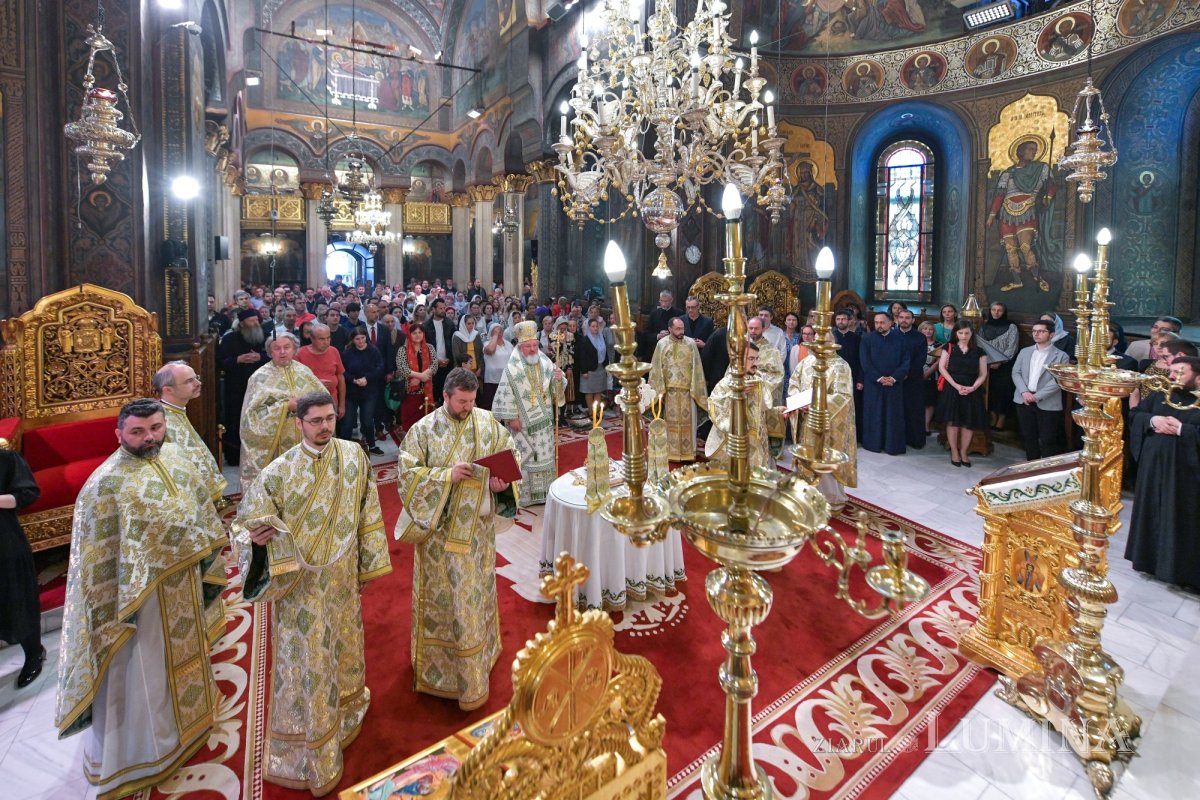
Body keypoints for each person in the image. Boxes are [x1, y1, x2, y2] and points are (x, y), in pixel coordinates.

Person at [56, 399, 227, 800]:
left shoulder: (176, 460)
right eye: (138, 431)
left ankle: (191, 725)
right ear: (119, 434)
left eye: (156, 428)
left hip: (182, 582)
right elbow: (96, 563)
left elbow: (199, 511)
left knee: (185, 657)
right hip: (136, 604)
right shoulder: (105, 485)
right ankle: (149, 752)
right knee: (143, 672)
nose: (149, 437)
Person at [232, 390, 392, 794]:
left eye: (329, 419)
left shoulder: (354, 456)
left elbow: (368, 510)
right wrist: (256, 540)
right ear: (298, 423)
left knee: (344, 644)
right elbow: (243, 525)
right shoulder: (279, 472)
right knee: (308, 659)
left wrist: (369, 562)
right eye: (315, 421)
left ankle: (348, 709)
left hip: (341, 579)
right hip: (300, 588)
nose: (324, 427)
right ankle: (310, 734)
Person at [396, 368, 518, 710]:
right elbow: (406, 476)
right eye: (462, 401)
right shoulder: (424, 430)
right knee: (449, 600)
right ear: (446, 396)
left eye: (472, 401)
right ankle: (445, 672)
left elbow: (509, 457)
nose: (468, 407)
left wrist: (502, 484)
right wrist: (445, 476)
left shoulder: (486, 422)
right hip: (441, 539)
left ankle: (481, 657)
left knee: (476, 595)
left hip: (477, 536)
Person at [1124, 356, 1200, 590]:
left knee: (1180, 518)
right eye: (1172, 372)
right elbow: (1136, 415)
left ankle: (1178, 572)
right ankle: (1148, 561)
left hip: (1186, 475)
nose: (1173, 377)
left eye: (1180, 372)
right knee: (1152, 512)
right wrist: (1153, 420)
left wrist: (1182, 429)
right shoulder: (1161, 395)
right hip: (1153, 470)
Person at [491, 321, 566, 506]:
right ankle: (525, 496)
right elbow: (505, 393)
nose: (532, 349)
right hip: (522, 424)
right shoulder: (512, 367)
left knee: (544, 455)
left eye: (534, 345)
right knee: (526, 458)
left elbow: (555, 391)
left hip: (545, 421)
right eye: (528, 346)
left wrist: (558, 379)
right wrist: (511, 417)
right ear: (520, 346)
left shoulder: (546, 362)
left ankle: (545, 493)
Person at [239, 332, 325, 491]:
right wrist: (285, 407)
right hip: (277, 446)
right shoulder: (259, 377)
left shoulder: (304, 371)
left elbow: (322, 398)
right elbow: (250, 417)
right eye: (277, 348)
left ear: (295, 349)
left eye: (287, 347)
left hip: (306, 439)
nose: (282, 352)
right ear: (269, 352)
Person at [789, 338, 858, 510]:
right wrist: (798, 401)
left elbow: (842, 396)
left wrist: (815, 404)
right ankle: (805, 493)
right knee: (806, 455)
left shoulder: (840, 366)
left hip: (828, 423)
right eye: (818, 340)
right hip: (805, 420)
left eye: (825, 340)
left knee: (824, 456)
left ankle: (829, 497)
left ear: (832, 342)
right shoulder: (807, 361)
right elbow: (794, 383)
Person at [988, 139, 1058, 292]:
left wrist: (1048, 197)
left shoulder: (1041, 168)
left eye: (1035, 149)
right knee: (1010, 249)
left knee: (1025, 247)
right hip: (1007, 213)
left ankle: (1038, 278)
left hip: (1027, 210)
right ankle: (1017, 281)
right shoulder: (1008, 173)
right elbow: (1000, 195)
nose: (1034, 152)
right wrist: (991, 216)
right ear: (1021, 151)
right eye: (1030, 149)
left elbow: (1051, 185)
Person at [155, 360, 226, 503]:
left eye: (196, 377)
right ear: (168, 390)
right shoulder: (160, 422)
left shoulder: (176, 410)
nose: (198, 383)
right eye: (189, 381)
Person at [1, 448, 43, 689]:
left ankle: (34, 653)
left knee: (17, 597)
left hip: (4, 542)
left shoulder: (6, 457)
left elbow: (28, 493)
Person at [705, 343, 782, 470]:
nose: (755, 363)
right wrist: (735, 394)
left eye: (757, 358)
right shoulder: (727, 383)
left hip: (757, 441)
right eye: (751, 359)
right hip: (737, 441)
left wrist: (778, 412)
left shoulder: (759, 380)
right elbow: (714, 407)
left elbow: (763, 410)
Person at [648, 316, 709, 462]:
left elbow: (697, 368)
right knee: (670, 424)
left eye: (682, 328)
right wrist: (660, 390)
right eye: (678, 329)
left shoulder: (690, 344)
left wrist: (696, 388)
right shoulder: (661, 344)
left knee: (689, 424)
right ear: (670, 329)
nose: (681, 331)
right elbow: (656, 368)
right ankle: (671, 452)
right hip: (669, 393)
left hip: (688, 392)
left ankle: (689, 453)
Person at [1011, 319, 1071, 460]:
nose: (1036, 334)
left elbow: (1058, 380)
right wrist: (1025, 392)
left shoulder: (1061, 356)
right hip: (1023, 399)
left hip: (1047, 402)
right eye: (1034, 331)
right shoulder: (1024, 352)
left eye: (1041, 331)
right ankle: (1031, 466)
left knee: (1048, 439)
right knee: (1028, 437)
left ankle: (1045, 468)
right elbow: (1016, 372)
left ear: (1051, 334)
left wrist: (1036, 396)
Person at [935, 321, 989, 467]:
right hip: (952, 387)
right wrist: (956, 385)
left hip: (972, 389)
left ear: (972, 333)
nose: (964, 336)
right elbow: (942, 368)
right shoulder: (949, 347)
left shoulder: (979, 351)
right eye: (960, 333)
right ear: (956, 333)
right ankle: (954, 451)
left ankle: (964, 452)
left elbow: (983, 374)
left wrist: (972, 387)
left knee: (968, 423)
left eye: (967, 333)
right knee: (952, 422)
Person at [218, 308, 267, 465]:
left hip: (260, 387)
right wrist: (238, 359)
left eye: (256, 320)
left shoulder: (264, 337)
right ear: (242, 324)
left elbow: (271, 358)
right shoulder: (229, 339)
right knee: (235, 420)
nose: (255, 323)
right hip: (236, 388)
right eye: (251, 321)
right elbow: (221, 363)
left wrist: (260, 357)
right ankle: (234, 455)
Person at [859, 311, 911, 454]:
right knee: (874, 414)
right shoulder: (867, 339)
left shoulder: (900, 339)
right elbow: (865, 362)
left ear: (891, 323)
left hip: (894, 384)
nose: (879, 325)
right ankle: (873, 444)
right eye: (876, 323)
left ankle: (892, 445)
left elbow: (906, 362)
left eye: (882, 322)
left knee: (892, 416)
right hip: (874, 384)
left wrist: (894, 378)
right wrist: (879, 378)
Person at [341, 327, 386, 454]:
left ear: (366, 337)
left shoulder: (373, 350)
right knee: (348, 422)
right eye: (357, 339)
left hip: (369, 391)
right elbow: (343, 371)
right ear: (353, 340)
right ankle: (343, 449)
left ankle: (372, 445)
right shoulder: (347, 353)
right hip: (352, 392)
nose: (360, 341)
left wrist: (367, 378)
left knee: (367, 421)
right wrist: (353, 380)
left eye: (362, 338)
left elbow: (380, 368)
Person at [979, 302, 1019, 431]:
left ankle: (1001, 420)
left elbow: (1012, 347)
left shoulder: (1011, 327)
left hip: (1005, 366)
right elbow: (981, 345)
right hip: (988, 365)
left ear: (1004, 312)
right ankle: (992, 417)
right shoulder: (984, 327)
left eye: (999, 310)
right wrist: (988, 362)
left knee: (1003, 393)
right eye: (993, 310)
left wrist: (999, 362)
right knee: (990, 392)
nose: (996, 313)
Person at [296, 323, 347, 421]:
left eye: (328, 338)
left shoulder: (334, 351)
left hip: (331, 403)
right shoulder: (300, 354)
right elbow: (295, 382)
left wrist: (342, 405)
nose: (326, 342)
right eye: (321, 339)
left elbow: (341, 378)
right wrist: (315, 383)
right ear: (312, 338)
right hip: (309, 405)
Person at [895, 309, 928, 449]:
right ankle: (896, 440)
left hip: (913, 380)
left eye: (907, 318)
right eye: (901, 317)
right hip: (895, 380)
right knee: (896, 411)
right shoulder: (891, 335)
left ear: (913, 320)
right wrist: (896, 375)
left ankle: (914, 440)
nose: (904, 320)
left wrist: (906, 373)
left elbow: (920, 359)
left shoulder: (920, 337)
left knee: (913, 410)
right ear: (897, 319)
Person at [397, 323, 437, 432]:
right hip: (410, 391)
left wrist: (420, 378)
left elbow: (434, 365)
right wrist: (420, 376)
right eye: (414, 333)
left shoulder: (429, 347)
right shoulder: (403, 349)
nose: (418, 335)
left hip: (427, 391)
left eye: (420, 332)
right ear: (409, 335)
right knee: (410, 422)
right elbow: (402, 367)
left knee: (425, 422)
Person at [423, 297, 456, 400]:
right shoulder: (426, 326)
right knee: (435, 392)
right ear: (433, 309)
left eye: (444, 308)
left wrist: (449, 358)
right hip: (432, 364)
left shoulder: (450, 324)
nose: (443, 310)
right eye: (440, 308)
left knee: (447, 391)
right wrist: (435, 360)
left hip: (448, 362)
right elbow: (425, 346)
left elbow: (453, 343)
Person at [747, 316, 785, 404]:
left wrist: (756, 383)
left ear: (763, 329)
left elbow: (778, 375)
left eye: (756, 328)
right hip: (743, 392)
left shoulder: (772, 351)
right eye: (751, 328)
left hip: (762, 396)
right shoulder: (742, 349)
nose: (753, 331)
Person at [576, 316, 611, 412]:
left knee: (598, 391)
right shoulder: (585, 340)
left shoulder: (602, 337)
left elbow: (606, 353)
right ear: (589, 327)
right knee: (589, 392)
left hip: (600, 368)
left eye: (596, 326)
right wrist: (584, 371)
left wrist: (606, 366)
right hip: (589, 370)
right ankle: (592, 413)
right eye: (593, 326)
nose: (595, 328)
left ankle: (597, 413)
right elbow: (582, 357)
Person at [480, 321, 513, 410]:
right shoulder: (486, 344)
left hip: (506, 379)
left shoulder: (508, 344)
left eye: (500, 330)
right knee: (491, 404)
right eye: (496, 331)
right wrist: (495, 336)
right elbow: (490, 350)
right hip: (492, 380)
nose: (499, 332)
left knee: (505, 404)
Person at [919, 321, 942, 435]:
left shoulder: (939, 345)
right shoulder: (916, 342)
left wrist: (928, 372)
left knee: (930, 402)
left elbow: (939, 362)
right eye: (925, 328)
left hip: (933, 376)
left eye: (930, 329)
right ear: (920, 330)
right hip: (916, 375)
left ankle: (926, 426)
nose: (928, 331)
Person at [452, 313, 485, 379]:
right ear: (464, 324)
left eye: (473, 323)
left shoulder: (476, 335)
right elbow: (456, 356)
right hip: (463, 370)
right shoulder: (457, 336)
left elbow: (481, 354)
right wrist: (462, 371)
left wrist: (480, 368)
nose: (471, 325)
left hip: (476, 369)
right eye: (469, 324)